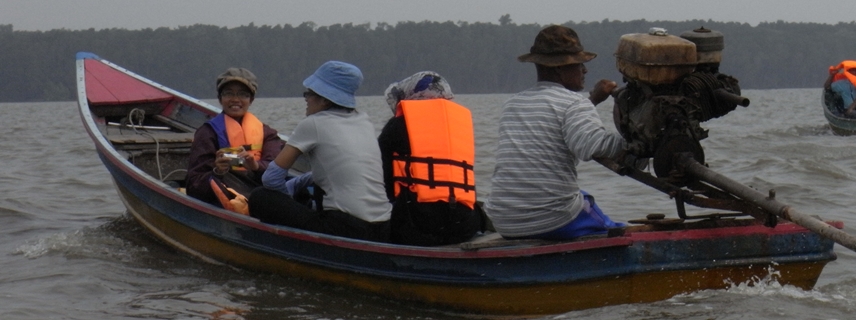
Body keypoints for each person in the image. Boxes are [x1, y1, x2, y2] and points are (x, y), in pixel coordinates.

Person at [485, 25, 626, 241]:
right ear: (560, 68)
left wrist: (593, 101)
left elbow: (556, 120)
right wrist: (631, 139)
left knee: (584, 197)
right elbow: (592, 146)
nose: (585, 71)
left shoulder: (512, 104)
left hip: (504, 221)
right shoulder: (573, 103)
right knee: (615, 230)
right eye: (579, 65)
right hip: (552, 220)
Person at [248, 61, 392, 242]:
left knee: (260, 197)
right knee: (309, 189)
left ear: (324, 99)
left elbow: (271, 179)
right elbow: (336, 171)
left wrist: (288, 196)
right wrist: (299, 184)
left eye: (309, 93)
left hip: (344, 228)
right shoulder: (364, 122)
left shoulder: (313, 123)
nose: (306, 98)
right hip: (384, 226)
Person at [379, 71, 483, 246]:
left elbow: (383, 180)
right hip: (464, 226)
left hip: (418, 228)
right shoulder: (460, 126)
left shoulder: (396, 127)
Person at [185, 67, 284, 211]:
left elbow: (278, 171)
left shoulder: (267, 134)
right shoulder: (207, 133)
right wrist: (217, 171)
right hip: (225, 200)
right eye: (228, 93)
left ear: (251, 100)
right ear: (220, 99)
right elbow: (193, 186)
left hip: (260, 194)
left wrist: (255, 166)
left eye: (243, 94)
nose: (235, 99)